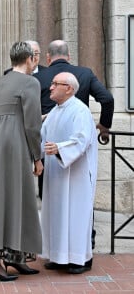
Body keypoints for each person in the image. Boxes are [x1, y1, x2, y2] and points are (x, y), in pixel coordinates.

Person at [0, 42, 43, 282]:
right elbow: (33, 125)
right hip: (14, 142)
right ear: (30, 58)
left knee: (0, 197)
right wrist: (38, 156)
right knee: (17, 197)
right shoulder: (31, 82)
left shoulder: (1, 81)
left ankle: (13, 257)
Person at [34, 40, 114, 248]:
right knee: (72, 200)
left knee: (57, 199)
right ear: (69, 56)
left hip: (62, 150)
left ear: (48, 58)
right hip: (61, 147)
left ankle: (77, 248)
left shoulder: (39, 77)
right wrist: (104, 126)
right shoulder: (85, 73)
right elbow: (107, 98)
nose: (52, 87)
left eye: (55, 86)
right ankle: (75, 243)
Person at [40, 72, 98, 274]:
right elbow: (43, 137)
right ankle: (59, 256)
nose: (51, 87)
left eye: (56, 84)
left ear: (69, 89)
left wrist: (59, 148)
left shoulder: (80, 111)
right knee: (56, 213)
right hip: (56, 173)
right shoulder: (55, 111)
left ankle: (79, 259)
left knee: (75, 214)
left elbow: (82, 139)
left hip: (76, 175)